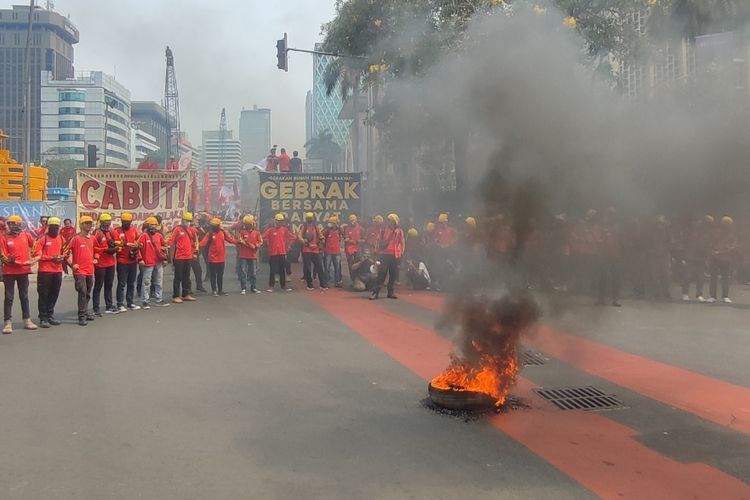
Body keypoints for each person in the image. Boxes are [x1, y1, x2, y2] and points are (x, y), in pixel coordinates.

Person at [1, 215, 37, 333]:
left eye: (13, 223)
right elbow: (3, 256)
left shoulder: (26, 235)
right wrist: (12, 261)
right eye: (9, 223)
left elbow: (35, 246)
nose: (11, 226)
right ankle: (7, 323)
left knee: (24, 296)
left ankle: (27, 320)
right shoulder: (4, 237)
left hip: (23, 271)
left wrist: (33, 259)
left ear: (19, 224)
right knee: (9, 297)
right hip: (9, 272)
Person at [33, 217, 65, 328]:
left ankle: (50, 315)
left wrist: (62, 257)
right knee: (43, 295)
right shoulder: (43, 239)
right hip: (45, 272)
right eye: (52, 227)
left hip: (57, 271)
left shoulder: (61, 238)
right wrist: (51, 258)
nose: (54, 229)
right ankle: (43, 318)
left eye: (56, 227)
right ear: (48, 227)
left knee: (54, 294)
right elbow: (37, 254)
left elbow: (65, 251)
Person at [65, 216, 96, 326]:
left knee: (87, 292)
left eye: (90, 223)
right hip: (79, 271)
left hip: (90, 270)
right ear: (81, 225)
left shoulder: (92, 238)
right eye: (86, 223)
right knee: (82, 291)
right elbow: (65, 253)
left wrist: (96, 257)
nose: (89, 225)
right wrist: (72, 265)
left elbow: (96, 249)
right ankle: (81, 316)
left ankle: (86, 311)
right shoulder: (75, 238)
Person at [164, 212, 199, 304]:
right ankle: (175, 296)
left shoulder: (191, 230)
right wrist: (163, 244)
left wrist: (194, 253)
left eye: (189, 221)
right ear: (182, 220)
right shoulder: (177, 229)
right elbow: (171, 240)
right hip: (179, 257)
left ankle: (185, 294)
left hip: (188, 256)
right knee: (178, 277)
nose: (188, 222)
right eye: (186, 221)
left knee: (186, 276)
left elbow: (194, 242)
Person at [370, 213, 404, 300]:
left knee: (393, 274)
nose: (388, 221)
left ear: (394, 221)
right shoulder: (384, 230)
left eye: (390, 220)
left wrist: (401, 252)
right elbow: (378, 240)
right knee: (381, 274)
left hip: (395, 255)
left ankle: (390, 292)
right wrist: (377, 251)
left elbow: (402, 242)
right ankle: (375, 292)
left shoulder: (399, 231)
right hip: (384, 254)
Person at [199, 218, 237, 296]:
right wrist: (196, 246)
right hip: (212, 258)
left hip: (221, 258)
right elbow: (203, 242)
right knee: (213, 275)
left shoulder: (222, 232)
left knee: (220, 275)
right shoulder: (210, 234)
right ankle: (214, 290)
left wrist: (239, 242)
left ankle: (220, 290)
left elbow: (230, 240)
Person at [681, 215, 713, 302]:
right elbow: (687, 243)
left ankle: (699, 294)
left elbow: (707, 244)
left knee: (700, 277)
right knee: (688, 276)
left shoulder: (707, 232)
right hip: (691, 256)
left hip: (701, 257)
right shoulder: (692, 231)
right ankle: (685, 294)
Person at [138, 217, 168, 308]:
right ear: (147, 225)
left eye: (155, 225)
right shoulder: (143, 236)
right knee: (146, 282)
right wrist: (140, 259)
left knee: (159, 282)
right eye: (152, 225)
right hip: (148, 262)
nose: (153, 227)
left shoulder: (159, 236)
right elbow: (137, 248)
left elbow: (165, 246)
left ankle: (159, 299)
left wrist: (165, 259)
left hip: (158, 262)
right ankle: (145, 301)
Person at [113, 212, 141, 312]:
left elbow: (139, 240)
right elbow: (115, 242)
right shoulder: (117, 231)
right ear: (121, 221)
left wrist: (137, 245)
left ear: (131, 222)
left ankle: (130, 302)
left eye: (128, 222)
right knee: (122, 283)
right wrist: (124, 244)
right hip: (122, 261)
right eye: (124, 222)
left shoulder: (134, 230)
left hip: (132, 260)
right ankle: (120, 304)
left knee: (131, 283)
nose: (126, 223)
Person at [708, 216, 739, 304]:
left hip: (725, 258)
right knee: (715, 277)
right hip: (717, 257)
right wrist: (713, 251)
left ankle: (722, 296)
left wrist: (720, 251)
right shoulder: (716, 232)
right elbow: (710, 243)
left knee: (723, 278)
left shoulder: (731, 234)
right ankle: (715, 296)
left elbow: (733, 245)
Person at [92, 213, 118, 315]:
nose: (107, 225)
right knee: (98, 286)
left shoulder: (110, 232)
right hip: (100, 264)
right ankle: (96, 308)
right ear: (101, 222)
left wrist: (115, 247)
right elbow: (93, 246)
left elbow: (116, 241)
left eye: (109, 222)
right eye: (105, 222)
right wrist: (105, 250)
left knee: (109, 285)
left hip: (111, 262)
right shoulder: (97, 233)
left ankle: (109, 305)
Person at [263, 213, 294, 292]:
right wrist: (267, 244)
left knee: (282, 270)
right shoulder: (270, 230)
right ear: (275, 221)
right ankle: (271, 286)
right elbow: (262, 237)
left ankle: (283, 286)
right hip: (273, 253)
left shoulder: (285, 230)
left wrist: (288, 246)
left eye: (282, 221)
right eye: (279, 221)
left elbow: (293, 237)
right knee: (273, 270)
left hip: (282, 253)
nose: (280, 222)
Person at [299, 212, 327, 290]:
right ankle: (309, 284)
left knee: (320, 267)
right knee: (308, 268)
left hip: (315, 250)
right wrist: (305, 242)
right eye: (309, 218)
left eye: (311, 218)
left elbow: (320, 235)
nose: (310, 220)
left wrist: (322, 240)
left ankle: (322, 283)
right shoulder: (304, 227)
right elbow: (300, 236)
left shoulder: (316, 227)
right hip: (307, 250)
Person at [237, 215, 263, 294]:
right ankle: (243, 288)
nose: (249, 225)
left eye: (250, 223)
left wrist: (257, 245)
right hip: (243, 255)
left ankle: (253, 287)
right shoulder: (242, 232)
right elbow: (240, 241)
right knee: (243, 272)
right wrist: (249, 245)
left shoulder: (257, 233)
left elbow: (260, 241)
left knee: (253, 272)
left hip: (253, 255)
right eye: (248, 224)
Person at [343, 214, 364, 284]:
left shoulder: (361, 228)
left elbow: (364, 239)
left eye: (353, 220)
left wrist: (359, 241)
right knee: (350, 265)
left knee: (358, 263)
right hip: (349, 249)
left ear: (356, 220)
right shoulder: (347, 228)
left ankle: (358, 278)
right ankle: (353, 279)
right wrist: (353, 241)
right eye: (351, 220)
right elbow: (346, 239)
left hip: (358, 249)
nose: (352, 222)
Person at [323, 215, 343, 287]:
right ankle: (326, 282)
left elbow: (344, 235)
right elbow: (322, 237)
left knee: (337, 268)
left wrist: (339, 226)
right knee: (327, 267)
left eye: (331, 222)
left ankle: (337, 282)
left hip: (337, 252)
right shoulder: (327, 230)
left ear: (335, 223)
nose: (329, 224)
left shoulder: (339, 230)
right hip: (328, 251)